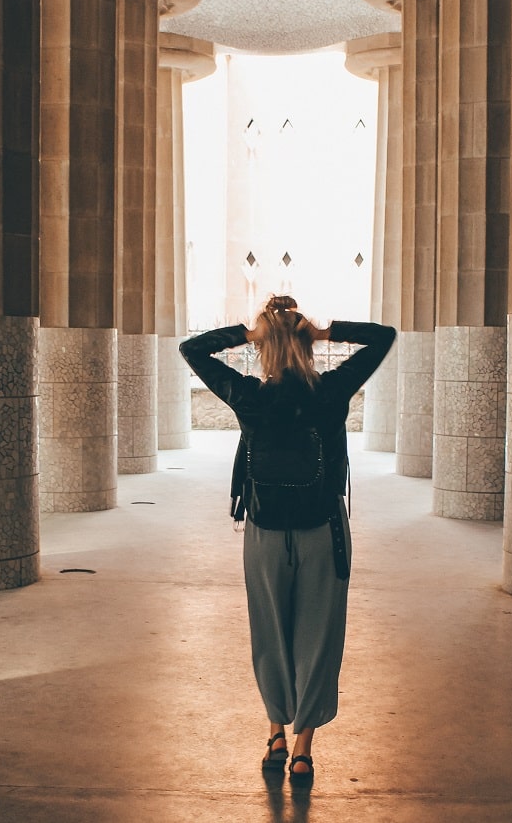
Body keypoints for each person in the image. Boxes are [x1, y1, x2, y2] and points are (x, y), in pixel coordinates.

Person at [179, 294, 396, 787]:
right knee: (318, 636)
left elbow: (192, 350)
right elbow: (383, 336)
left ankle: (275, 733)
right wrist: (323, 330)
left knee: (270, 630)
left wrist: (248, 333)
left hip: (265, 527)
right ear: (308, 346)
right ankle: (302, 750)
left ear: (265, 349)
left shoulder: (250, 395)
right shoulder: (332, 390)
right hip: (323, 526)